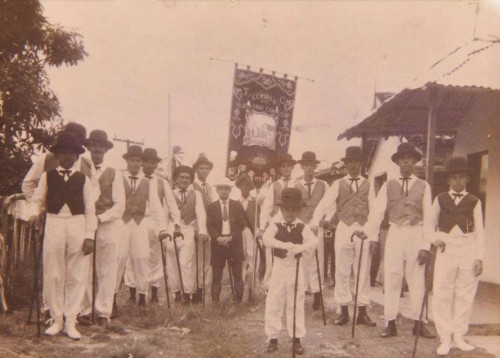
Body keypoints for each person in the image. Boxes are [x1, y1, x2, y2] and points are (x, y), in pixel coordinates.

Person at [26, 132, 97, 340]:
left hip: (77, 223)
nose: (67, 157)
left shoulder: (83, 179)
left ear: (77, 156)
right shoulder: (48, 176)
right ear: (56, 155)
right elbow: (37, 200)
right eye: (63, 153)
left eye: (71, 153)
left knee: (76, 273)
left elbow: (90, 209)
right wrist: (32, 214)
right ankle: (56, 318)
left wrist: (89, 235)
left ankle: (70, 320)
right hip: (55, 223)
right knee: (53, 271)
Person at [363, 142, 435, 338]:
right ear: (398, 161)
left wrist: (426, 245)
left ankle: (419, 323)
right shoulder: (388, 184)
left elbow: (429, 217)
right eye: (403, 158)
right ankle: (390, 322)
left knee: (416, 278)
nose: (406, 162)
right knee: (392, 276)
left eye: (410, 158)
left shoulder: (424, 185)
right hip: (395, 232)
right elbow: (377, 212)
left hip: (416, 232)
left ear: (414, 162)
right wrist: (371, 235)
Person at [311, 146, 376, 326]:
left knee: (363, 271)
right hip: (344, 229)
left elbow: (376, 210)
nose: (353, 166)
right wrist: (315, 222)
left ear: (361, 163)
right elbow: (325, 204)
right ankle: (344, 311)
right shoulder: (338, 184)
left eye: (356, 162)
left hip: (363, 230)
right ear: (346, 165)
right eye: (350, 162)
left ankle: (362, 311)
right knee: (342, 270)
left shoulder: (369, 184)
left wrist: (373, 233)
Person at [428, 156, 485, 356]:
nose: (458, 181)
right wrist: (436, 239)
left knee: (464, 294)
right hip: (446, 248)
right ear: (448, 180)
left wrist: (479, 258)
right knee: (442, 292)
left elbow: (480, 231)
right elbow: (429, 225)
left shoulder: (475, 201)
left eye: (461, 177)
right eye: (454, 178)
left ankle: (459, 335)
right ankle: (445, 337)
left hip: (468, 248)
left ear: (467, 179)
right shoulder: (440, 199)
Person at [263, 188, 318, 355]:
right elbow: (266, 239)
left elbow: (314, 241)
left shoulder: (302, 227)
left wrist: (300, 247)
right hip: (279, 267)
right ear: (281, 209)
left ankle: (296, 339)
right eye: (287, 209)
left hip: (295, 267)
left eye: (294, 209)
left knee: (296, 301)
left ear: (299, 210)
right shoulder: (275, 225)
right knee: (274, 301)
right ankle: (272, 338)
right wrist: (283, 245)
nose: (290, 213)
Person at [78, 130, 125, 326]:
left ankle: (104, 311)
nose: (97, 149)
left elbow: (119, 205)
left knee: (107, 269)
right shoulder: (79, 169)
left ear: (106, 150)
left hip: (107, 225)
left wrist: (101, 217)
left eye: (101, 146)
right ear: (88, 147)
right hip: (83, 224)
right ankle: (84, 310)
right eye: (94, 145)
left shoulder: (113, 172)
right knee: (83, 267)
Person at [115, 146, 168, 308]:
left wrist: (162, 228)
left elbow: (156, 206)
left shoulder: (147, 182)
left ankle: (143, 297)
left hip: (140, 223)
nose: (136, 164)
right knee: (119, 259)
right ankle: (111, 299)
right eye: (132, 160)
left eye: (138, 160)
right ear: (127, 161)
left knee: (142, 257)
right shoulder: (118, 177)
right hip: (122, 223)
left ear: (141, 163)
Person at [141, 148, 181, 304]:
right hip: (139, 220)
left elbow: (172, 204)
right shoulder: (135, 178)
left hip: (157, 222)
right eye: (146, 161)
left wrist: (176, 223)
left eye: (153, 162)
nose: (149, 165)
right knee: (138, 256)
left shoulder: (162, 182)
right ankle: (136, 293)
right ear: (142, 162)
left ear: (156, 164)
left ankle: (155, 292)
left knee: (156, 256)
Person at [22, 122, 95, 200]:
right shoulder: (47, 158)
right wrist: (40, 205)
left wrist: (85, 205)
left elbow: (95, 190)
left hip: (78, 210)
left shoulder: (88, 164)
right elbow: (28, 184)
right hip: (50, 210)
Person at [168, 166, 208, 303]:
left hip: (189, 228)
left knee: (186, 262)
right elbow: (164, 213)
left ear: (191, 180)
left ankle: (187, 293)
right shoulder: (171, 193)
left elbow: (201, 213)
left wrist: (202, 231)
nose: (184, 180)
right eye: (181, 177)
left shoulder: (196, 194)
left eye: (187, 178)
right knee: (172, 263)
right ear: (176, 179)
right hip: (172, 229)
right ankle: (176, 292)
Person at [257, 153, 297, 290]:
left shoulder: (297, 184)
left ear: (292, 168)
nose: (286, 169)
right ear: (280, 169)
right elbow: (267, 207)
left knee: (291, 256)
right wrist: (262, 227)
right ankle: (270, 287)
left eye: (288, 166)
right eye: (283, 166)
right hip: (276, 222)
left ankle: (290, 288)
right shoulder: (274, 185)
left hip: (292, 223)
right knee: (272, 256)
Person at [295, 151, 328, 310]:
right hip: (301, 227)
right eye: (306, 165)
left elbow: (330, 204)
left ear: (315, 167)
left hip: (317, 226)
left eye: (312, 165)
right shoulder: (295, 184)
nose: (309, 168)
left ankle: (317, 294)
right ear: (302, 167)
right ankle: (300, 294)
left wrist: (325, 219)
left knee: (318, 260)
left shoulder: (323, 184)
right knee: (301, 260)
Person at [207, 178, 247, 303]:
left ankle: (238, 301)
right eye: (221, 189)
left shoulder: (237, 205)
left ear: (230, 190)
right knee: (217, 275)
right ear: (217, 190)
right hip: (218, 243)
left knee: (237, 274)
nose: (223, 191)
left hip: (233, 243)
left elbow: (241, 224)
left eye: (226, 188)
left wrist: (230, 237)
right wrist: (218, 238)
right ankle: (215, 302)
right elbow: (210, 225)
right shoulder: (212, 206)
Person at [192, 153, 215, 302]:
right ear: (196, 170)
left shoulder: (210, 187)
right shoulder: (192, 186)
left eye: (207, 168)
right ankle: (195, 291)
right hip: (195, 224)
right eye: (201, 168)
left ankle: (203, 288)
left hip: (208, 226)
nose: (204, 171)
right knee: (196, 259)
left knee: (207, 260)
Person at [235, 173, 260, 301]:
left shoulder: (255, 202)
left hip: (252, 233)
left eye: (247, 185)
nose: (244, 188)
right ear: (239, 187)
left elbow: (259, 219)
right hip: (239, 234)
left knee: (253, 261)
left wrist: (258, 231)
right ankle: (239, 292)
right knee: (241, 262)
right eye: (242, 185)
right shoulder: (235, 203)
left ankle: (252, 290)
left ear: (250, 187)